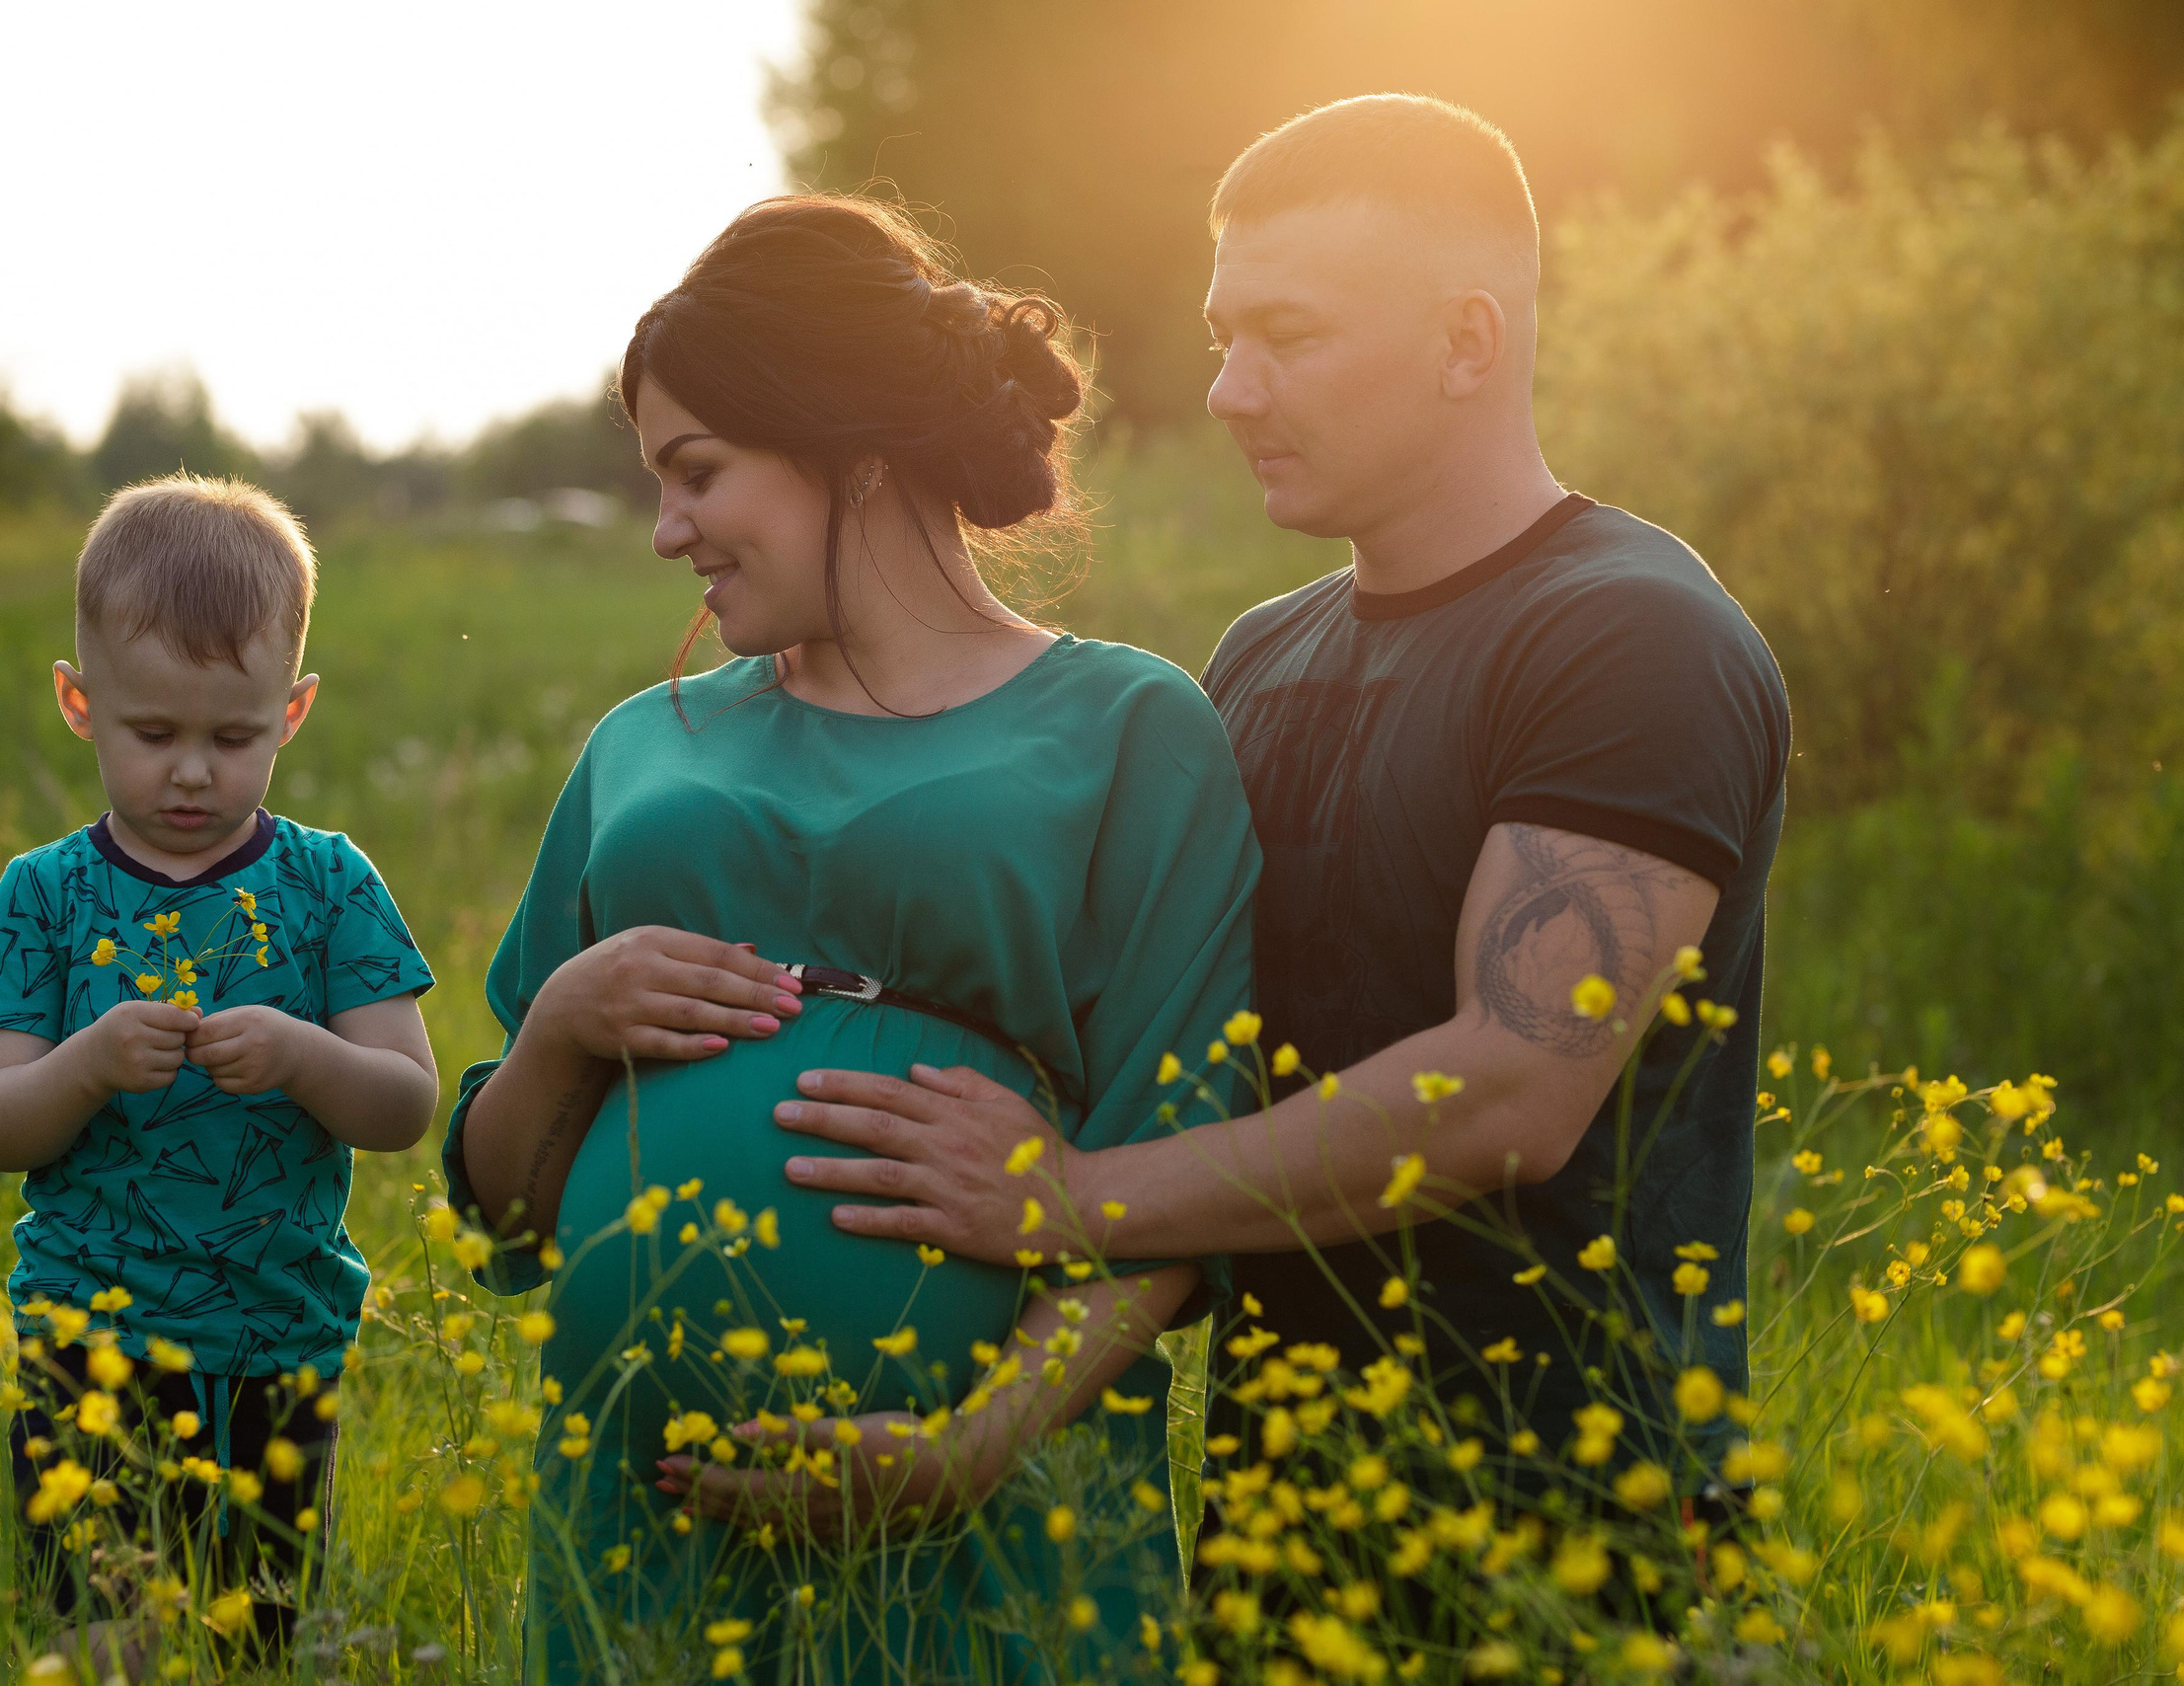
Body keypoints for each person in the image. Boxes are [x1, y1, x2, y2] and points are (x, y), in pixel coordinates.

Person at [768, 97, 1791, 1494]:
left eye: (1290, 337)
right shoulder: (1259, 656)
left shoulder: (1629, 636)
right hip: (1283, 1515)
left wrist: (1067, 1199)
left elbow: (1506, 1095)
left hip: (1575, 1523)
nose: (1232, 391)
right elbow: (1170, 1062)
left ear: (1467, 340)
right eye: (1223, 340)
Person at [439, 195, 1259, 1682]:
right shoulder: (643, 749)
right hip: (644, 1526)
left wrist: (968, 1446)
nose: (665, 530)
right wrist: (559, 1026)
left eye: (697, 474)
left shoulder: (1131, 730)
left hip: (990, 1511)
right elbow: (499, 1212)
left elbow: (1177, 1182)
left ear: (851, 451)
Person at [0, 475, 440, 1667]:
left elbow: (405, 1103)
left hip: (277, 1342)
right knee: (100, 1636)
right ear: (79, 702)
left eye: (232, 737)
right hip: (86, 1344)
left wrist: (301, 1053)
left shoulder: (330, 884)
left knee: (250, 1640)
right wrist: (87, 1063)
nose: (190, 774)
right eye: (151, 733)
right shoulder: (44, 894)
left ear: (294, 710)